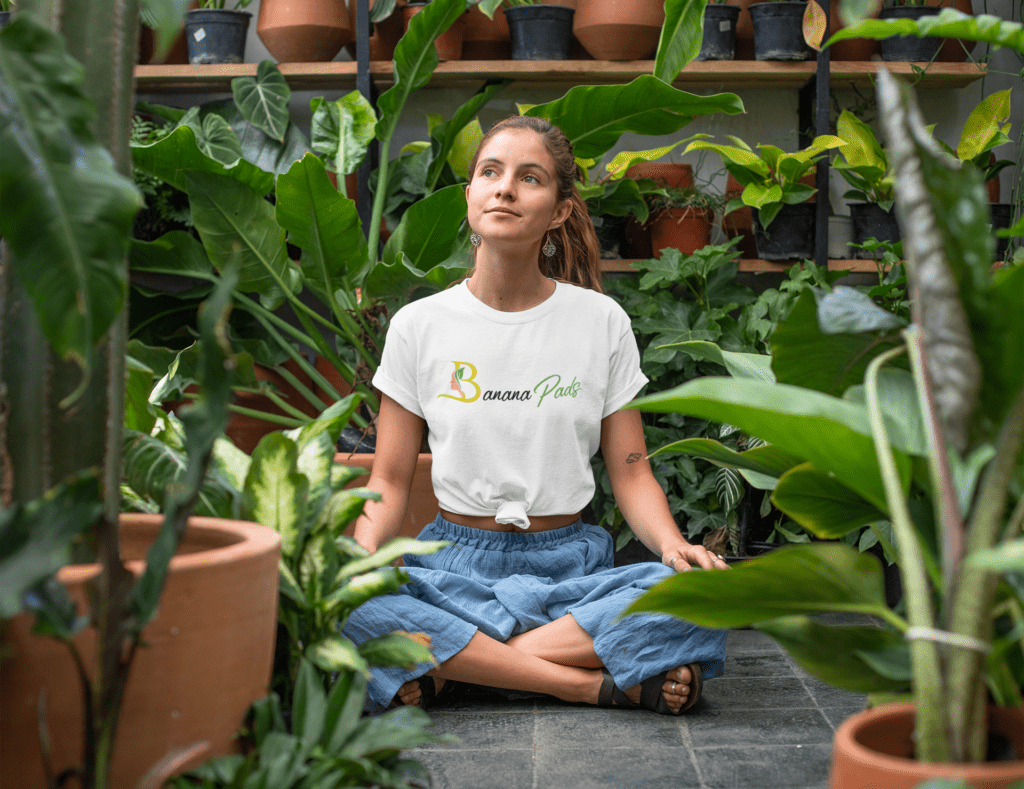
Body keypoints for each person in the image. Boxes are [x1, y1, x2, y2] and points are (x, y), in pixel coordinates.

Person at [344, 115, 728, 715]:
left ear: (558, 212)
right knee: (355, 604)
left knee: (699, 594)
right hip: (451, 567)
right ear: (469, 193)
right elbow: (389, 479)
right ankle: (586, 682)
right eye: (490, 172)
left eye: (530, 178)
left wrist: (674, 547)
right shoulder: (419, 326)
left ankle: (459, 669)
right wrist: (360, 557)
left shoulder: (601, 323)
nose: (504, 188)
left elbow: (630, 471)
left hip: (570, 567)